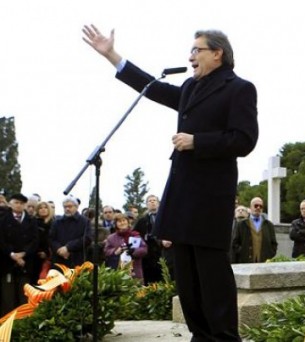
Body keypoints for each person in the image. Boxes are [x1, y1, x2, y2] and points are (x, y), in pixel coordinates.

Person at [83, 24, 258, 341]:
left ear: (217, 53)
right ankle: (200, 334)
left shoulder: (239, 88)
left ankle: (223, 337)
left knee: (211, 273)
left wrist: (197, 141)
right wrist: (112, 56)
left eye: (196, 50)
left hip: (211, 197)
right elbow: (153, 88)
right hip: (182, 193)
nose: (190, 57)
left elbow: (245, 140)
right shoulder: (191, 88)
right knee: (187, 276)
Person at [0, 193, 39, 316]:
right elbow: (1, 240)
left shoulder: (31, 221)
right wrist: (12, 254)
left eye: (22, 203)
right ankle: (6, 327)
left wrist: (23, 254)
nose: (19, 205)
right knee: (8, 299)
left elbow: (35, 240)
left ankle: (23, 327)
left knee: (24, 297)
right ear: (10, 204)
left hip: (25, 264)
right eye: (16, 202)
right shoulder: (3, 220)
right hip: (7, 264)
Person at [49, 196, 93, 268]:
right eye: (65, 207)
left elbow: (87, 238)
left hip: (77, 259)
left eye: (70, 206)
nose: (67, 209)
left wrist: (68, 247)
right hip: (59, 260)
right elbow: (51, 239)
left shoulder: (85, 221)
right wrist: (59, 249)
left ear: (76, 207)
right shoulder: (57, 222)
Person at [104, 213, 148, 282]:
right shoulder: (111, 238)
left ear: (127, 222)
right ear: (116, 224)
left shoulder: (135, 235)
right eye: (119, 221)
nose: (122, 223)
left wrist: (134, 251)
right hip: (117, 270)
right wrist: (115, 251)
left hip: (135, 270)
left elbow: (144, 249)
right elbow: (106, 251)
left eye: (124, 220)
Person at [232, 197, 277, 263]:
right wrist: (243, 253)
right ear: (250, 207)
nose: (258, 208)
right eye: (256, 206)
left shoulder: (269, 225)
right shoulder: (241, 224)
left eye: (260, 206)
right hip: (245, 262)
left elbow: (274, 244)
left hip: (264, 262)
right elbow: (235, 243)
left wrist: (269, 254)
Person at [133, 194, 163, 285]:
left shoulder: (164, 217)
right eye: (150, 201)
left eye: (154, 200)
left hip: (162, 251)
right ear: (146, 204)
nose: (152, 202)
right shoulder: (142, 220)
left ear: (158, 203)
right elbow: (134, 234)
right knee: (149, 279)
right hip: (147, 254)